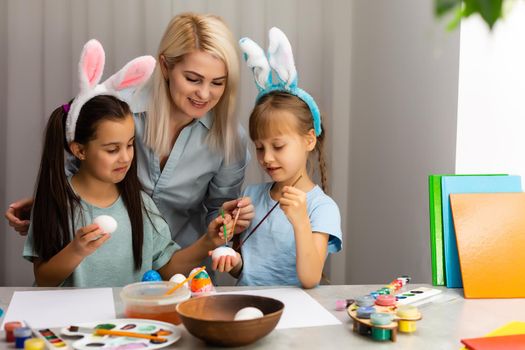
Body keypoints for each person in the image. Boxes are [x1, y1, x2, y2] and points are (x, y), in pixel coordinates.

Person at [6, 13, 253, 254]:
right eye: (193, 79)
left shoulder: (230, 138)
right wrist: (47, 207)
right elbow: (77, 174)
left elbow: (217, 210)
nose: (204, 94)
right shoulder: (119, 112)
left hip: (184, 266)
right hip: (109, 260)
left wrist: (228, 221)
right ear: (165, 67)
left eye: (217, 82)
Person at [23, 40, 233, 287]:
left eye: (130, 145)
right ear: (79, 150)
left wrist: (208, 242)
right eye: (112, 149)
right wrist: (76, 250)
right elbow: (43, 279)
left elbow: (166, 268)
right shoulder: (55, 201)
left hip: (129, 324)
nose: (125, 157)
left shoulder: (139, 203)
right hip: (75, 324)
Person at [211, 28, 342, 289]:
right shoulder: (252, 195)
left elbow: (310, 279)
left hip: (296, 314)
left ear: (309, 140)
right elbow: (248, 273)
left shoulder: (322, 208)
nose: (266, 158)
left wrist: (300, 220)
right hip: (251, 308)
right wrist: (233, 259)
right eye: (259, 148)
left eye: (278, 146)